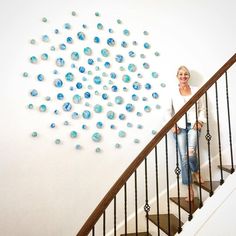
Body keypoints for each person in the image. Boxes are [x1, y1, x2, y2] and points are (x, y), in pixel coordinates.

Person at [166, 66, 206, 201]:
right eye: (181, 74)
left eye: (186, 74)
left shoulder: (195, 90)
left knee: (191, 153)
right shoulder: (172, 92)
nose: (183, 76)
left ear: (189, 76)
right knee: (184, 157)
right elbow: (167, 111)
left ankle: (195, 171)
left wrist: (200, 121)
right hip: (179, 128)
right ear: (177, 76)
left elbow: (202, 108)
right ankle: (189, 188)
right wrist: (172, 125)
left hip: (194, 125)